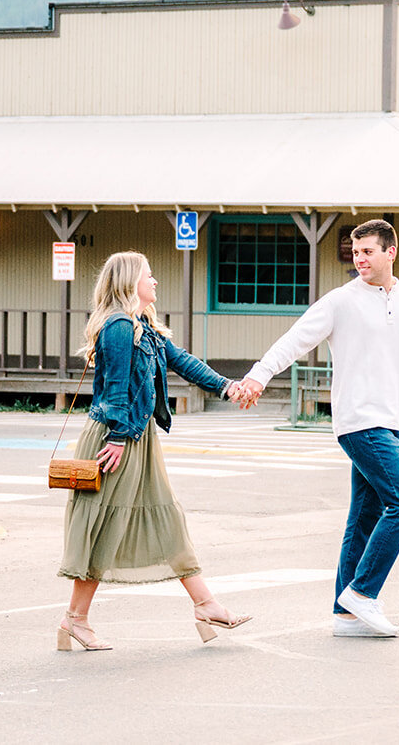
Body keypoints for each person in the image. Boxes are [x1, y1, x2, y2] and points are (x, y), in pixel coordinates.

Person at [236, 219, 399, 639]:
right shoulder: (340, 301)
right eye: (356, 251)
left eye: (367, 251)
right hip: (359, 422)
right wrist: (259, 375)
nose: (359, 258)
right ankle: (363, 593)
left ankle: (345, 616)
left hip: (394, 421)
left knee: (363, 518)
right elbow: (295, 340)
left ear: (390, 252)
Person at [57, 252, 253, 651]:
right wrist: (117, 438)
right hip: (118, 437)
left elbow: (184, 362)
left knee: (166, 517)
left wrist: (227, 387)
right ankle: (74, 619)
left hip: (136, 437)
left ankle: (205, 603)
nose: (156, 281)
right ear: (132, 282)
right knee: (104, 524)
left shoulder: (144, 327)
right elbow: (115, 389)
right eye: (150, 275)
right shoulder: (117, 327)